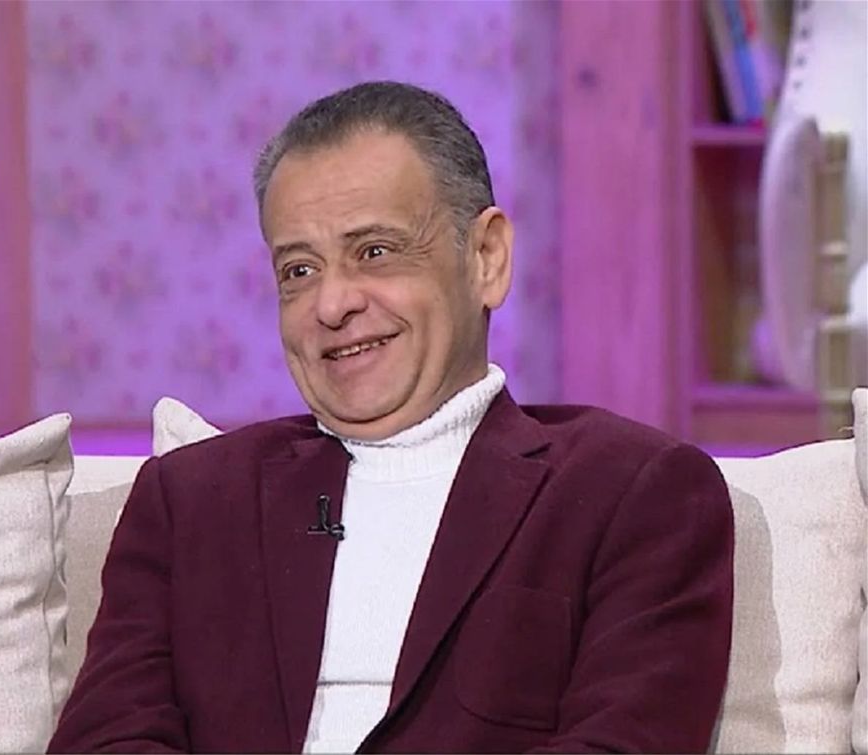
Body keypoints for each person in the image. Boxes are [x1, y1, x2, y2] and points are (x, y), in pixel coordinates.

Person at [48, 81, 734, 754]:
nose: (332, 304)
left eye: (374, 252)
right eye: (299, 270)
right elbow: (106, 739)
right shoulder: (189, 500)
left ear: (486, 258)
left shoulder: (631, 493)